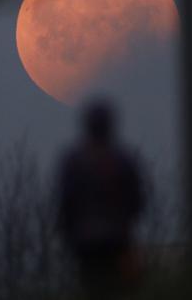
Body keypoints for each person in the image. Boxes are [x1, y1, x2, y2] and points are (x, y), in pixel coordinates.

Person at [56, 99, 145, 296]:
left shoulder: (75, 161)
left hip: (86, 242)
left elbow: (66, 201)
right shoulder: (123, 160)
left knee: (92, 288)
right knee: (116, 289)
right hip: (117, 239)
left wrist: (66, 232)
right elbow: (137, 200)